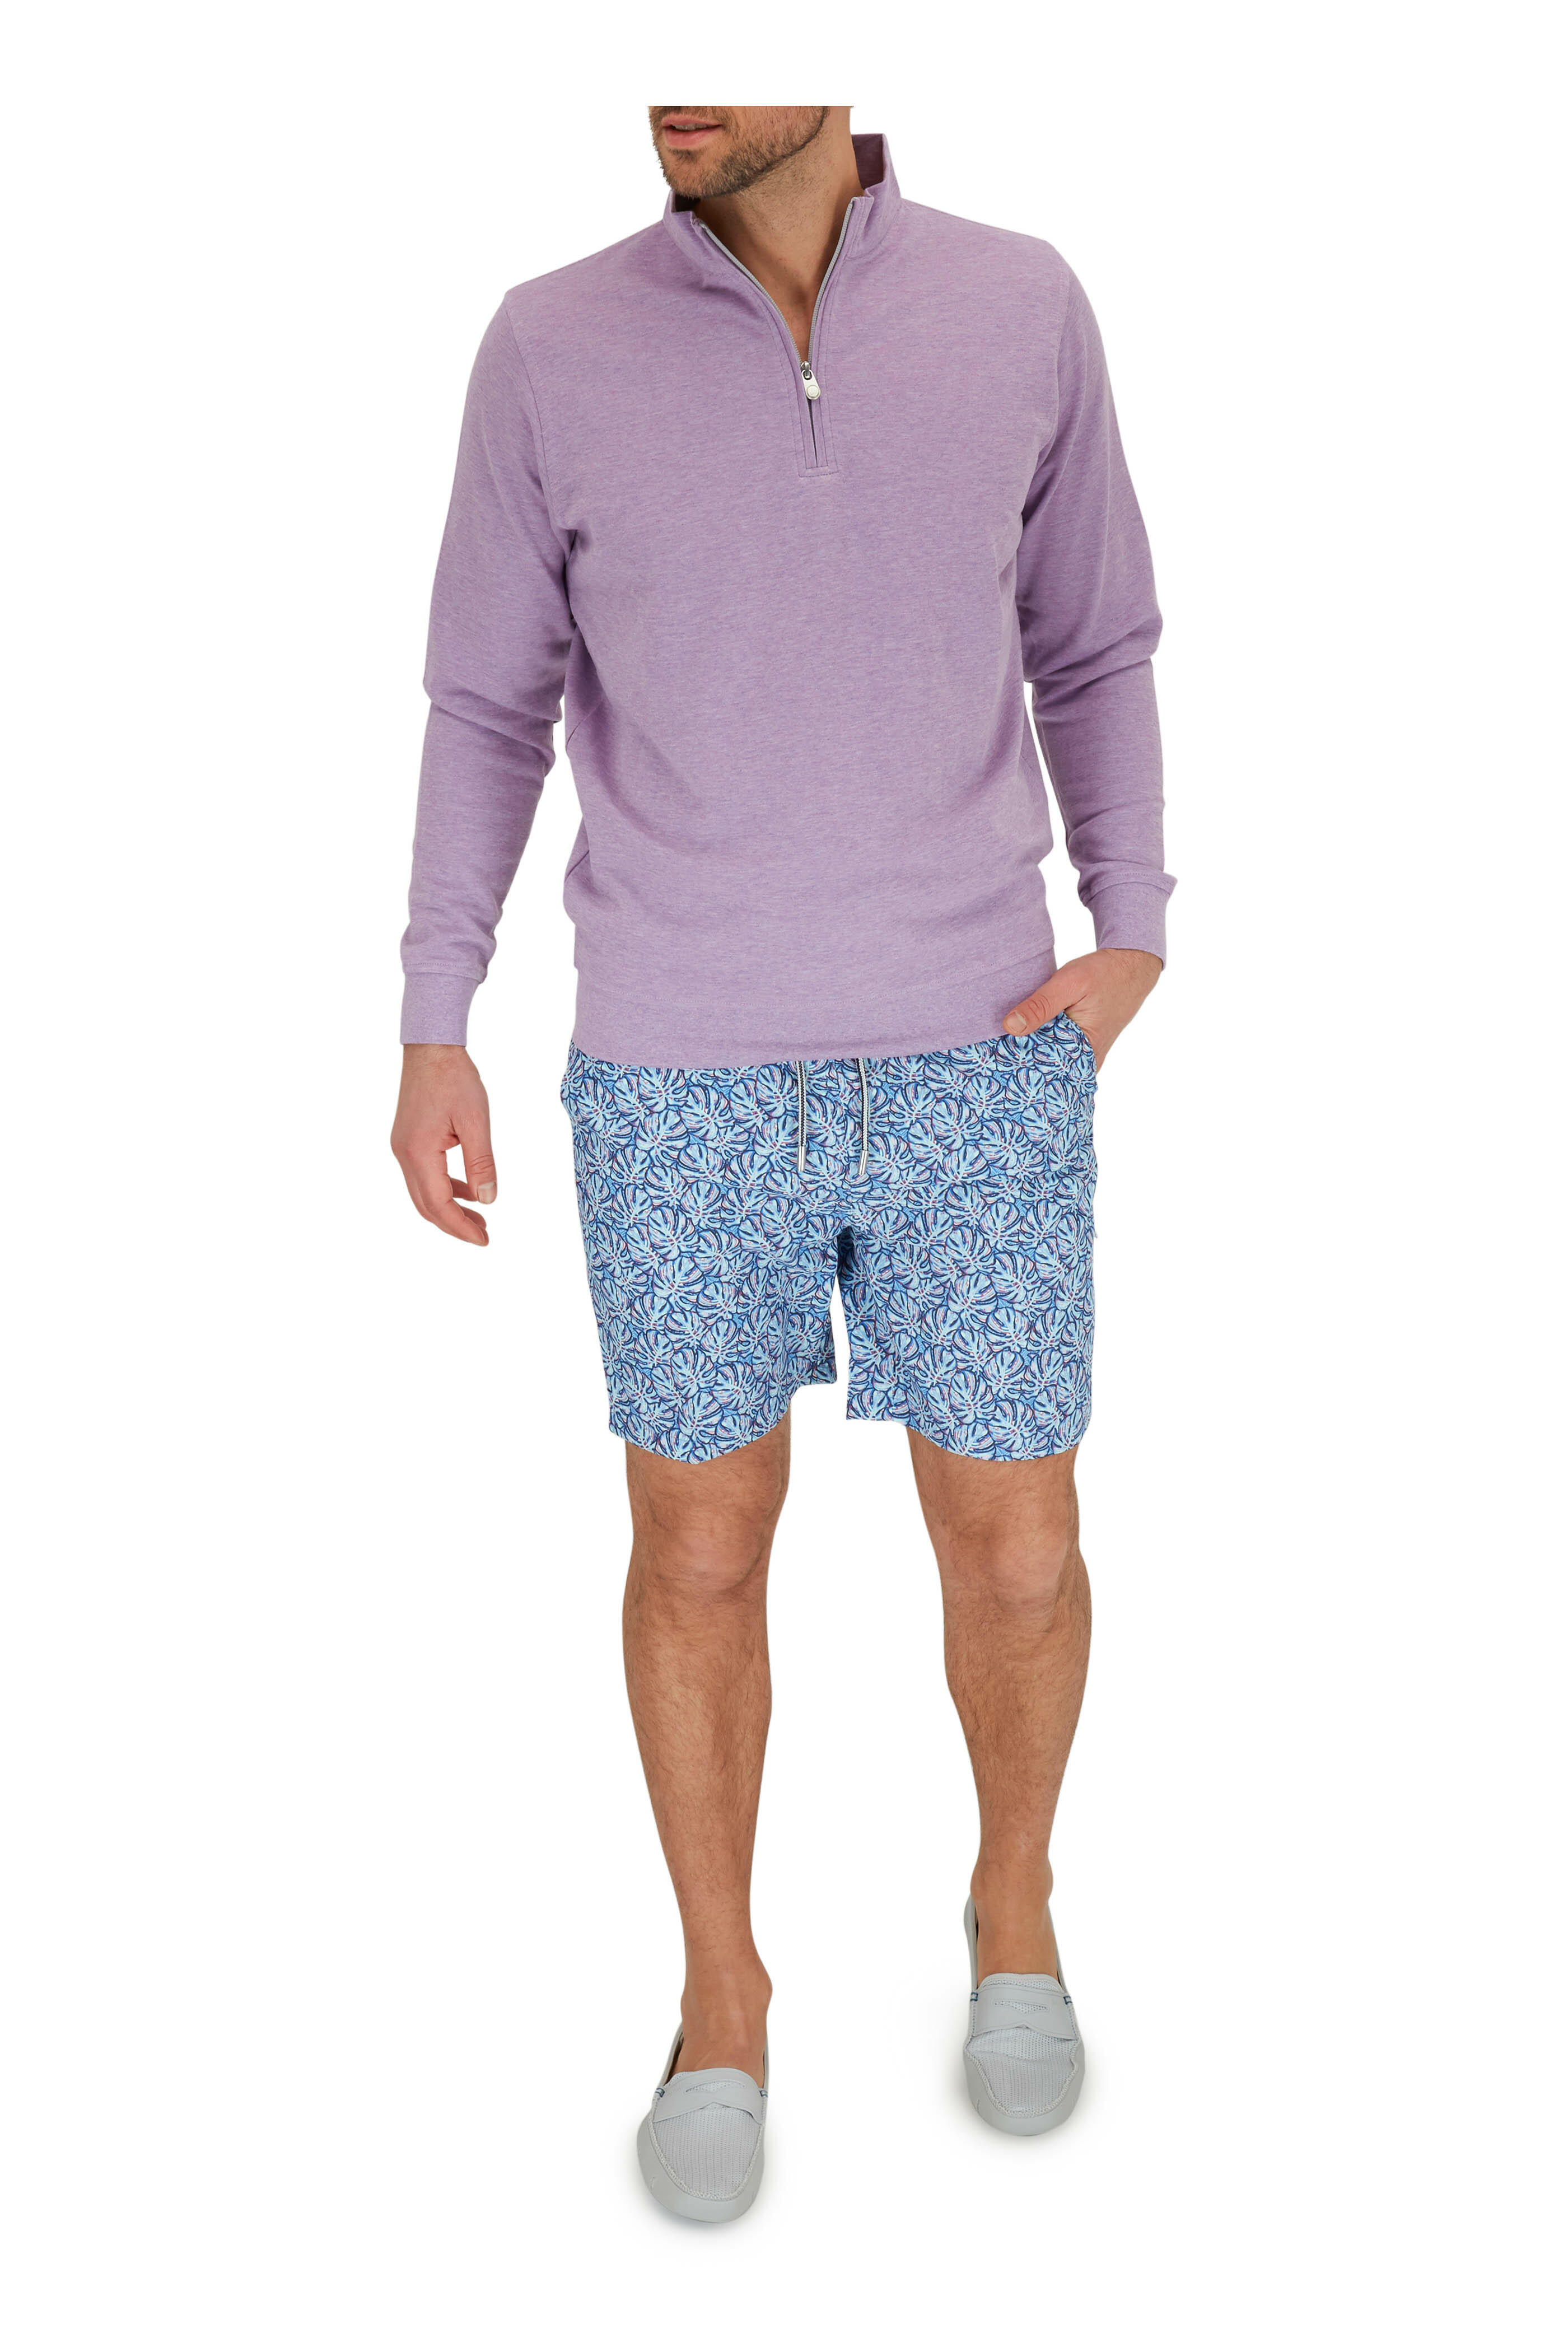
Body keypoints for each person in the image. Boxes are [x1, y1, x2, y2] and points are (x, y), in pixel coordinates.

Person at [391, 106, 1171, 2222]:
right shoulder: (548, 345)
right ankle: (721, 1995)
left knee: (1019, 1544)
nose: (680, 88)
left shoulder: (1022, 307)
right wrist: (438, 1012)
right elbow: (487, 702)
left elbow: (1096, 639)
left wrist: (1132, 930)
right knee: (697, 1549)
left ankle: (1017, 1907)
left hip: (980, 1058)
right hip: (678, 1071)